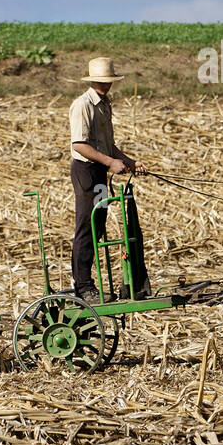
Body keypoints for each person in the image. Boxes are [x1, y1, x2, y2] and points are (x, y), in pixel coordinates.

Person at [69, 57, 150, 304]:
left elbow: (108, 145)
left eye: (109, 81)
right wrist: (110, 163)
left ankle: (89, 284)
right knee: (87, 224)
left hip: (100, 172)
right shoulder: (82, 105)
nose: (106, 85)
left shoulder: (104, 105)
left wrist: (129, 161)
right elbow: (79, 145)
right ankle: (82, 286)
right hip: (86, 172)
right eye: (102, 81)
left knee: (99, 225)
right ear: (93, 80)